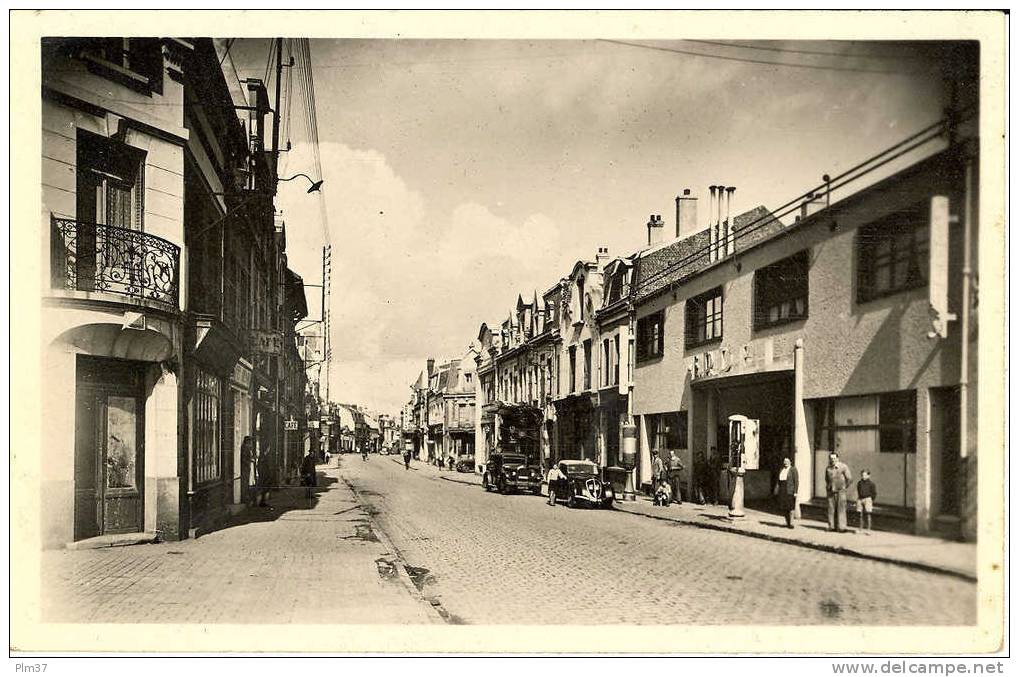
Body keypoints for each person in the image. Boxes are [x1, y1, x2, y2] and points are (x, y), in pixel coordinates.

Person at [824, 452, 853, 532]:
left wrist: (844, 487)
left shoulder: (843, 467)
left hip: (841, 491)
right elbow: (826, 479)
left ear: (837, 458)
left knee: (841, 509)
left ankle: (842, 527)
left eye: (834, 458)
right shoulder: (828, 468)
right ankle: (831, 526)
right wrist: (828, 486)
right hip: (831, 491)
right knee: (831, 509)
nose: (833, 460)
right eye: (831, 458)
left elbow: (850, 479)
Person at [774, 456, 799, 529]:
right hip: (782, 490)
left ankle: (791, 523)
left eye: (787, 461)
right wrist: (776, 489)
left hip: (789, 490)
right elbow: (778, 481)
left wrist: (795, 492)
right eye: (785, 461)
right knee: (784, 507)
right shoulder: (781, 469)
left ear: (790, 462)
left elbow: (796, 481)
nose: (786, 463)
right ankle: (787, 522)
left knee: (790, 507)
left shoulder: (793, 469)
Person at [856, 470, 877, 534]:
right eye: (862, 475)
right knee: (860, 515)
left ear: (868, 476)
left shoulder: (871, 484)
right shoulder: (859, 483)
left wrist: (870, 500)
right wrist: (859, 498)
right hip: (860, 499)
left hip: (868, 499)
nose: (863, 476)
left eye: (865, 475)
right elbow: (858, 490)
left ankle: (868, 530)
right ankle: (860, 529)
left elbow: (874, 493)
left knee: (868, 514)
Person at [240, 436, 255, 507]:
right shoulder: (245, 448)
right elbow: (244, 459)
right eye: (250, 442)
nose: (251, 443)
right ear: (248, 442)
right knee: (245, 483)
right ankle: (245, 498)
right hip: (245, 469)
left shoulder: (246, 448)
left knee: (246, 483)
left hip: (247, 468)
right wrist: (250, 461)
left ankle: (246, 498)